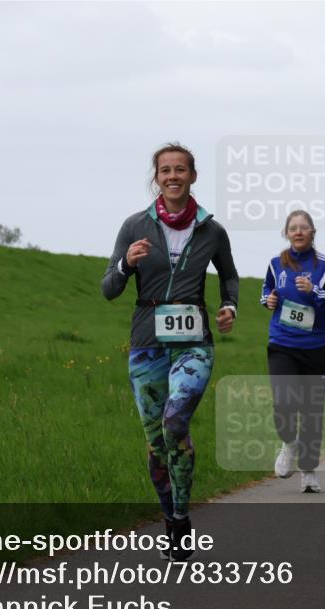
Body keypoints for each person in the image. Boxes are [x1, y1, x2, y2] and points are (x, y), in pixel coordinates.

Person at [101, 143, 239, 561]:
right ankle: (175, 521)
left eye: (181, 169)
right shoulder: (134, 226)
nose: (173, 176)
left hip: (193, 344)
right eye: (165, 170)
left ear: (193, 176)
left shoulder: (211, 230)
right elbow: (109, 288)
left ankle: (180, 511)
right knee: (156, 442)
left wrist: (229, 305)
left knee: (175, 422)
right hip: (147, 344)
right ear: (156, 177)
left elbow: (229, 276)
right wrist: (126, 263)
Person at [262, 210, 325, 493]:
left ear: (313, 233)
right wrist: (268, 300)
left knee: (312, 413)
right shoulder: (276, 264)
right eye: (293, 228)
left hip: (317, 349)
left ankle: (308, 471)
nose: (298, 232)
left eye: (303, 227)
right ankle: (288, 443)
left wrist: (314, 292)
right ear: (286, 233)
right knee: (283, 402)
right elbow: (266, 290)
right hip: (282, 344)